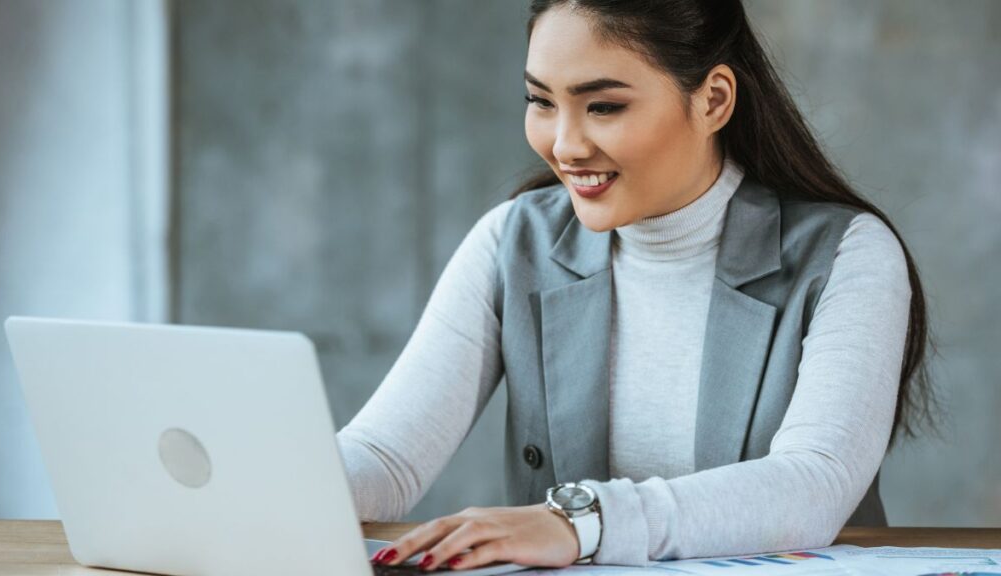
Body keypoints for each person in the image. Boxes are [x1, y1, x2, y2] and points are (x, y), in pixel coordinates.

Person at [336, 0, 934, 571]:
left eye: (603, 107)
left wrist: (580, 523)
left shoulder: (846, 253)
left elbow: (813, 484)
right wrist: (266, 484)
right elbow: (386, 459)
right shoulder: (512, 242)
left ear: (713, 101)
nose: (565, 146)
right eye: (540, 101)